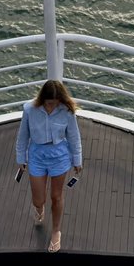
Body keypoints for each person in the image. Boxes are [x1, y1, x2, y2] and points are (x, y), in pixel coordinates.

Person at [16, 79, 82, 253]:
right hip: (37, 155)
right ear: (42, 100)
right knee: (38, 200)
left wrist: (77, 160)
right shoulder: (30, 110)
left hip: (59, 155)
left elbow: (74, 136)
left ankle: (55, 232)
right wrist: (21, 158)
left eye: (54, 103)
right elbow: (23, 136)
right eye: (47, 103)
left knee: (56, 196)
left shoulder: (67, 112)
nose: (50, 107)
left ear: (60, 100)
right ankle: (40, 209)